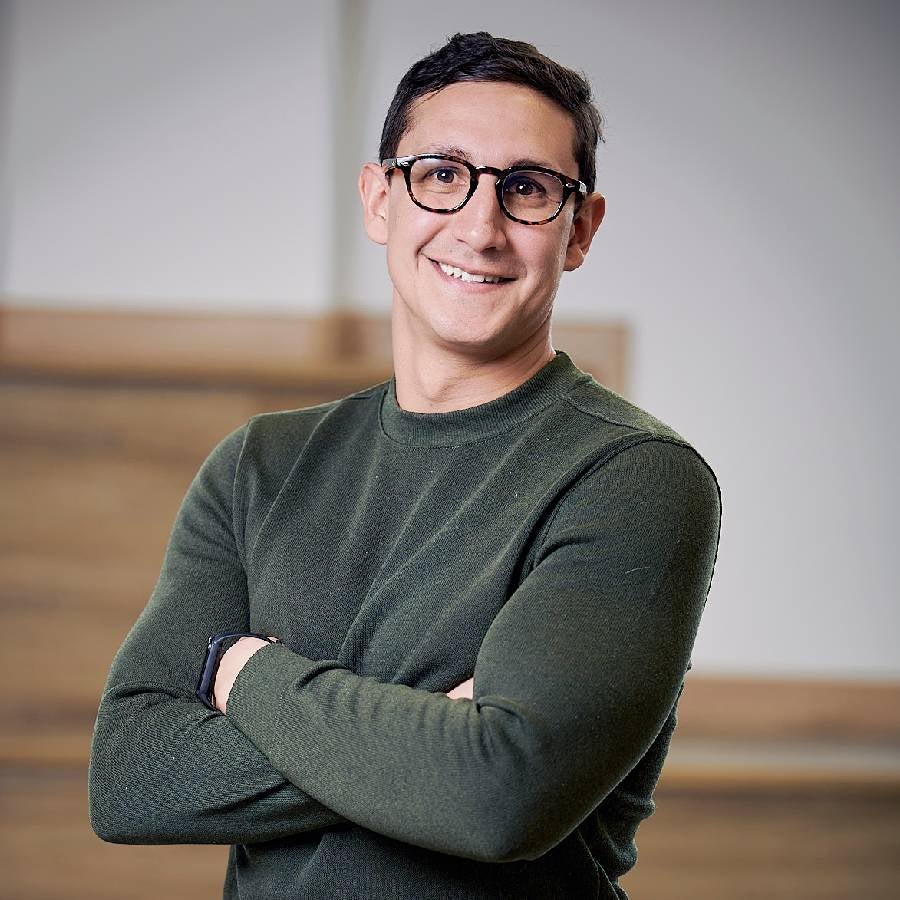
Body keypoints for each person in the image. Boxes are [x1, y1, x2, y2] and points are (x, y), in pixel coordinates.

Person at [89, 31, 721, 900]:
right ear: (380, 200)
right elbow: (130, 776)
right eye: (442, 174)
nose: (480, 227)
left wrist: (248, 675)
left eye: (527, 188)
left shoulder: (635, 477)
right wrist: (433, 746)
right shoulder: (259, 466)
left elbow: (498, 796)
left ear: (579, 229)